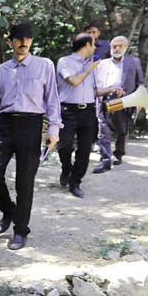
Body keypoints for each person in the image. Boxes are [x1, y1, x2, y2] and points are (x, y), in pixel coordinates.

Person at [0, 22, 60, 251]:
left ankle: (20, 230)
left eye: (27, 38)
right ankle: (8, 210)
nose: (23, 42)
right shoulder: (1, 70)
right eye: (19, 39)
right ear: (10, 42)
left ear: (31, 41)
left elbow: (52, 99)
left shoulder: (44, 65)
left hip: (31, 124)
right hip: (4, 125)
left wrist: (54, 130)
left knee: (24, 181)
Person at [56, 34, 101, 198]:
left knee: (85, 149)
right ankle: (66, 168)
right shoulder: (65, 62)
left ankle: (75, 182)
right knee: (64, 146)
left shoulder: (92, 64)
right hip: (68, 111)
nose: (95, 48)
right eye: (93, 45)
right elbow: (74, 81)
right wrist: (88, 69)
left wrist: (111, 90)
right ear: (87, 45)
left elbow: (93, 90)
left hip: (88, 111)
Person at [92, 35, 145, 173]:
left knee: (122, 131)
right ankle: (105, 161)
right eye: (114, 46)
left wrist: (134, 98)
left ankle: (119, 153)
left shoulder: (134, 62)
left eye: (120, 46)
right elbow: (95, 84)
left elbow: (140, 84)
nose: (116, 49)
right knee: (103, 131)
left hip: (123, 101)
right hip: (105, 100)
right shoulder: (101, 64)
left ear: (126, 48)